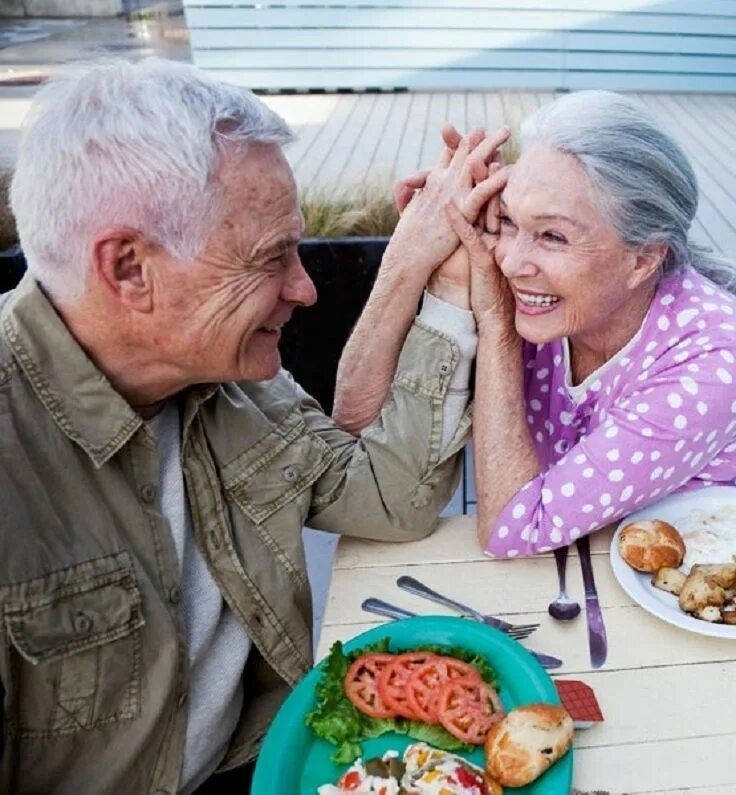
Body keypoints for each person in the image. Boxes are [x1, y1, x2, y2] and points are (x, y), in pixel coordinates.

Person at [0, 58, 504, 794]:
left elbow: (388, 496)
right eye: (271, 257)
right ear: (130, 268)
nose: (303, 289)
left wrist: (439, 272)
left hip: (266, 758)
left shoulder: (225, 380)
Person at [335, 90, 736, 559]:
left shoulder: (709, 362)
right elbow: (358, 425)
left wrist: (497, 326)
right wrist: (411, 257)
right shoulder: (536, 286)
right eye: (508, 219)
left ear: (643, 260)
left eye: (552, 235)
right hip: (574, 571)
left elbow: (514, 530)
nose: (511, 262)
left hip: (685, 589)